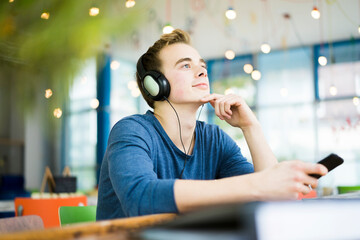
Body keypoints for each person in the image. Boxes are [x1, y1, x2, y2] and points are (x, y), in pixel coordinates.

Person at [96, 29, 327, 220]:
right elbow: (141, 199)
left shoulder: (214, 139)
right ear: (156, 84)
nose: (201, 71)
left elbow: (271, 199)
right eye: (186, 66)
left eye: (202, 66)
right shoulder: (131, 130)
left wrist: (251, 127)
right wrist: (257, 184)